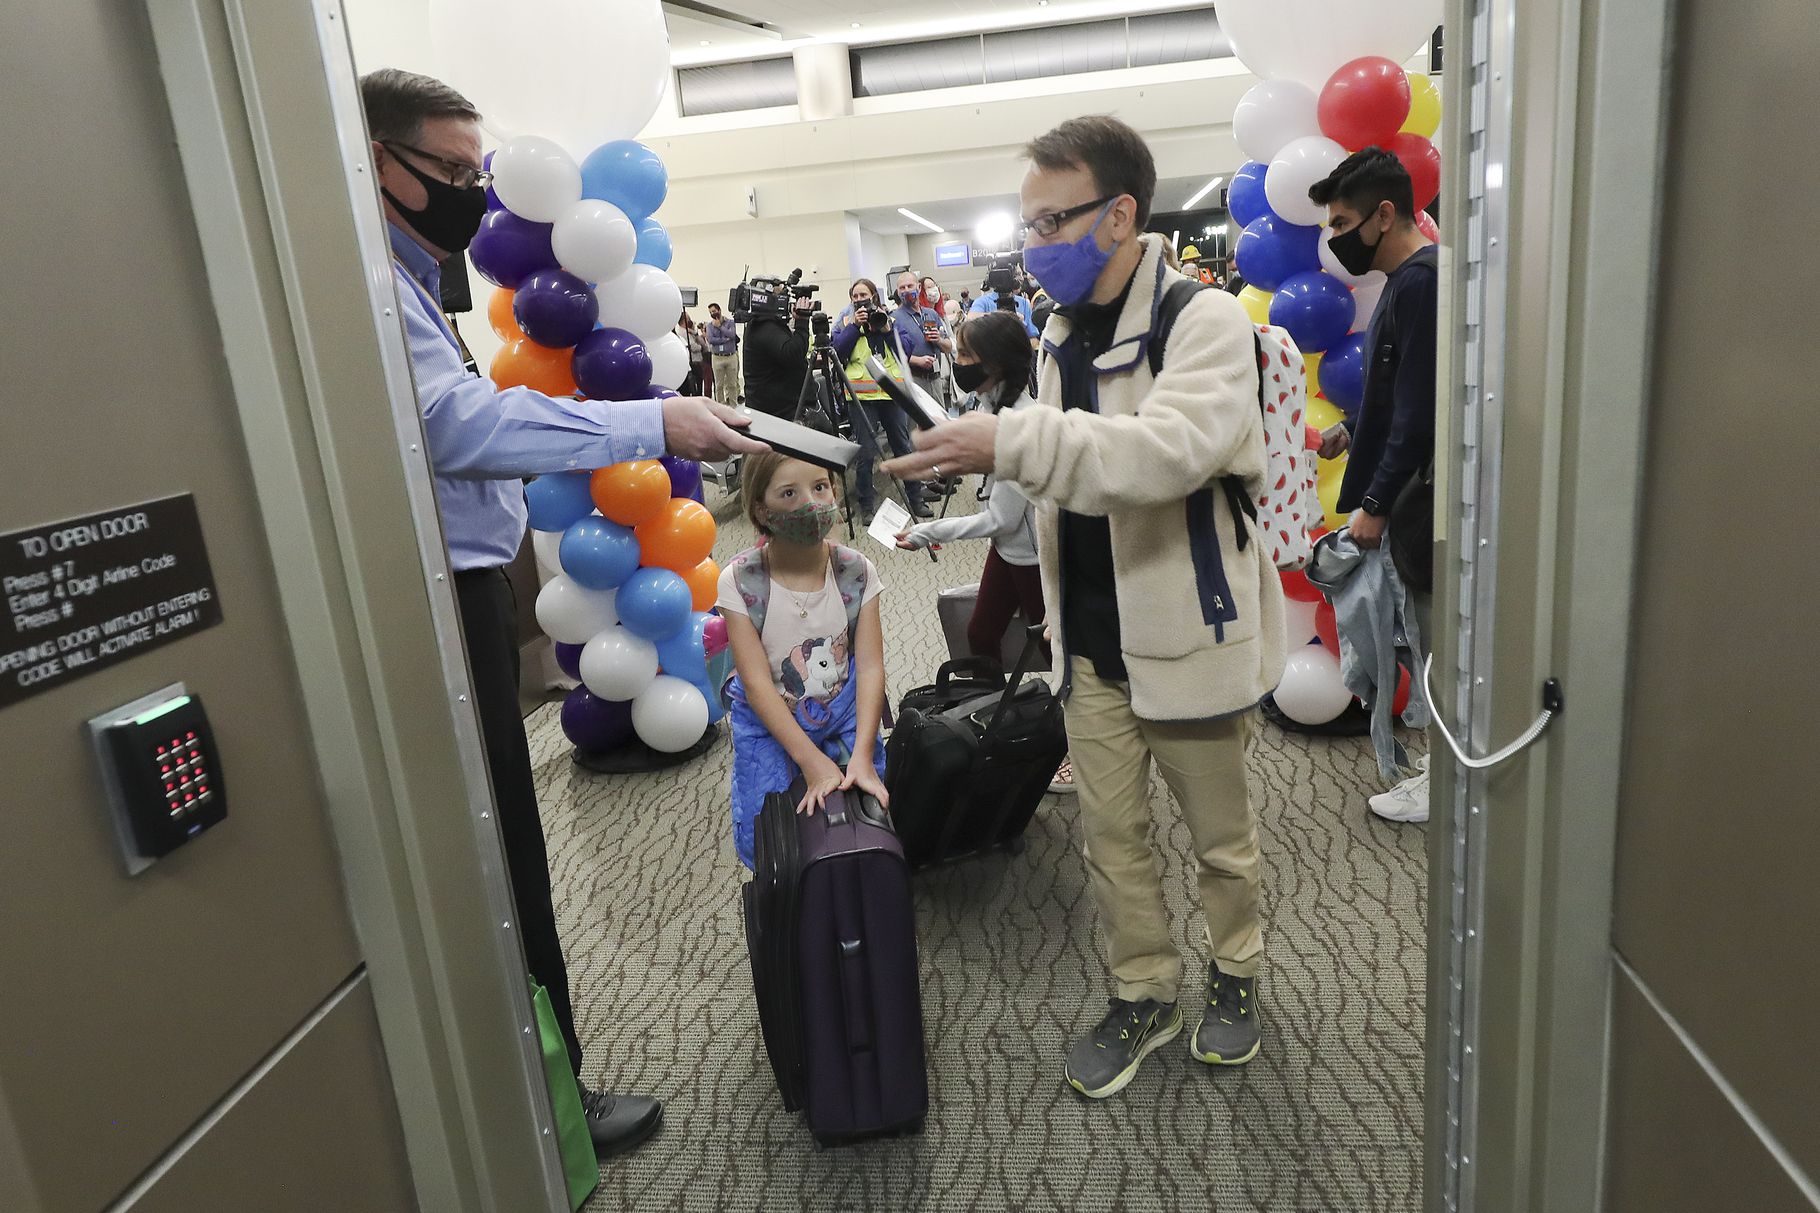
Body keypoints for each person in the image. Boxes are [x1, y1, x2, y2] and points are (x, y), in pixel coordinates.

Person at [359, 67, 765, 1158]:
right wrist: (648, 424)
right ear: (370, 158)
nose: (466, 194)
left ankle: (544, 1092)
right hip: (433, 606)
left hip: (465, 597)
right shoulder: (364, 283)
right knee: (492, 860)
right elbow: (461, 429)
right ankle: (546, 1108)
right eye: (445, 170)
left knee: (500, 849)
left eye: (474, 174)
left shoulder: (403, 276)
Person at [885, 114, 1285, 1099]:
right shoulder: (1059, 333)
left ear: (1117, 215)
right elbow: (1070, 478)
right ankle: (1142, 987)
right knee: (1112, 841)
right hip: (1091, 644)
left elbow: (1162, 454)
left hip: (1189, 635)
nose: (1033, 245)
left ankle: (1235, 972)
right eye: (1024, 226)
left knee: (1220, 843)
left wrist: (1008, 440)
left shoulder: (1203, 320)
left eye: (1049, 221)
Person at [894, 311, 1075, 795]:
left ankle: (1070, 742)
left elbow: (1000, 517)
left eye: (968, 355)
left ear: (996, 364)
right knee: (980, 632)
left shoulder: (1021, 421)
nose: (960, 361)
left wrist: (931, 530)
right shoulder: (990, 405)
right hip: (1009, 551)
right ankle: (1000, 717)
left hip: (1035, 557)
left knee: (1055, 650)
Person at [1308, 146, 1438, 824]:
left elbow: (1420, 412)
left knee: (1432, 644)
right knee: (1423, 639)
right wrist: (1351, 431)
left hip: (1418, 501)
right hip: (1407, 491)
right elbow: (1396, 393)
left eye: (1342, 222)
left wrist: (1377, 506)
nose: (1335, 239)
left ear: (1384, 214)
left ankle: (1445, 780)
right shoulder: (1407, 282)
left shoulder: (1419, 283)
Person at [717, 452, 891, 868]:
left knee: (869, 804)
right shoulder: (741, 581)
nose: (811, 504)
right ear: (761, 509)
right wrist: (811, 763)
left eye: (820, 487)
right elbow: (757, 685)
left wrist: (862, 756)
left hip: (842, 705)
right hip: (770, 715)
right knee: (768, 826)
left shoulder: (854, 570)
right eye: (789, 493)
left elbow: (869, 667)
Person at [833, 278, 932, 522]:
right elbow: (838, 352)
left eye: (863, 294)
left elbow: (904, 352)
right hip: (861, 397)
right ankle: (867, 506)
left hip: (891, 394)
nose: (859, 300)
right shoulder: (846, 322)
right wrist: (855, 327)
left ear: (874, 296)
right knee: (865, 452)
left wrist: (887, 330)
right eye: (854, 296)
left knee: (902, 446)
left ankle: (915, 499)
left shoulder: (892, 319)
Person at [741, 290, 816, 420]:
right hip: (778, 416)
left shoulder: (763, 325)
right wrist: (802, 322)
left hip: (777, 412)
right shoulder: (764, 326)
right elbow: (792, 353)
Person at [890, 269, 954, 406]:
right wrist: (917, 361)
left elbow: (948, 347)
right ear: (898, 291)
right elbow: (892, 353)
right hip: (913, 380)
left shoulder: (931, 314)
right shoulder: (894, 318)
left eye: (910, 286)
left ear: (919, 288)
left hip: (936, 379)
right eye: (902, 288)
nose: (906, 290)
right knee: (917, 425)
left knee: (939, 424)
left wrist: (939, 340)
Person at [706, 300, 741, 408]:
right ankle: (721, 406)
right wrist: (725, 340)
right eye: (711, 312)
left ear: (719, 310)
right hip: (717, 357)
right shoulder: (709, 326)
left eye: (714, 311)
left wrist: (720, 327)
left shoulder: (730, 322)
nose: (713, 314)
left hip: (730, 356)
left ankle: (733, 406)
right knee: (719, 385)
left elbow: (732, 335)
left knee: (732, 384)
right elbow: (711, 340)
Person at [675, 308, 706, 396]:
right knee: (696, 388)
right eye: (688, 318)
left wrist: (694, 333)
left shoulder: (689, 331)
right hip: (693, 363)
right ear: (684, 320)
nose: (690, 320)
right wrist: (700, 347)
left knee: (700, 385)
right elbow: (695, 347)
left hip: (697, 361)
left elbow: (703, 344)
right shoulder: (683, 333)